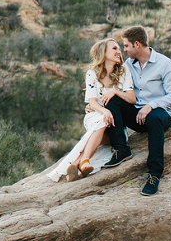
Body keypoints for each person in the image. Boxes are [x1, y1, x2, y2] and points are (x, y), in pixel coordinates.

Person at [99, 25, 171, 196]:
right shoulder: (129, 65)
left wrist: (151, 106)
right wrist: (94, 103)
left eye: (127, 45)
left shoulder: (166, 65)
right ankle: (121, 148)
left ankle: (154, 174)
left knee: (155, 117)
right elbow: (116, 87)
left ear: (137, 44)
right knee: (112, 98)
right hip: (137, 113)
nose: (125, 50)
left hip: (160, 113)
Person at [46, 38, 136, 182]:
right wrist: (105, 111)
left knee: (107, 136)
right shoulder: (92, 74)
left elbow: (132, 99)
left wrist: (115, 92)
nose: (119, 52)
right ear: (103, 53)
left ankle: (76, 164)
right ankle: (85, 161)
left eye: (119, 49)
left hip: (115, 121)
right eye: (114, 49)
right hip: (96, 115)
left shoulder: (123, 72)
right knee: (102, 120)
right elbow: (92, 103)